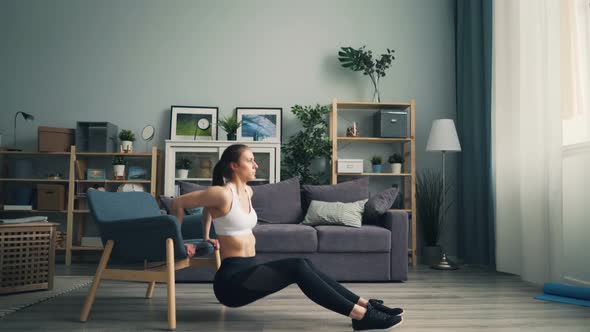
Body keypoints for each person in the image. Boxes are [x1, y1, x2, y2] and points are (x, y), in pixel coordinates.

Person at [171, 144, 403, 331]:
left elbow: (207, 210)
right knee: (297, 266)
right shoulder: (221, 193)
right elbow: (178, 203)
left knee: (305, 264)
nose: (255, 164)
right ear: (234, 165)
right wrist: (181, 243)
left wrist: (205, 235)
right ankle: (361, 316)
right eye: (250, 160)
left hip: (249, 270)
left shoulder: (248, 191)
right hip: (232, 283)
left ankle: (364, 304)